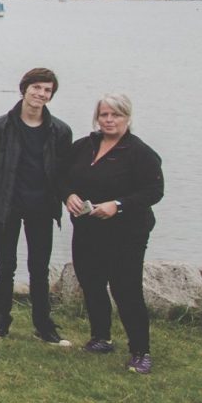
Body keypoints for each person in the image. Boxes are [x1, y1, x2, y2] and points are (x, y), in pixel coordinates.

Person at [61, 93, 163, 374]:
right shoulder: (84, 146)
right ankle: (101, 337)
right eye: (104, 114)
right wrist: (68, 195)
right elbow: (62, 176)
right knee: (91, 282)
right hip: (87, 228)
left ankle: (141, 352)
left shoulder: (140, 153)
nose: (108, 120)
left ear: (127, 118)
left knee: (125, 289)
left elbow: (154, 191)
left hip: (126, 232)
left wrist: (117, 205)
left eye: (115, 115)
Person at [0, 68, 74, 345]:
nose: (41, 94)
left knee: (39, 268)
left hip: (43, 207)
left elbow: (63, 171)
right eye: (36, 88)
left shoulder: (60, 131)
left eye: (47, 90)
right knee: (5, 266)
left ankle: (44, 326)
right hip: (8, 205)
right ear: (24, 89)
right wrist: (2, 195)